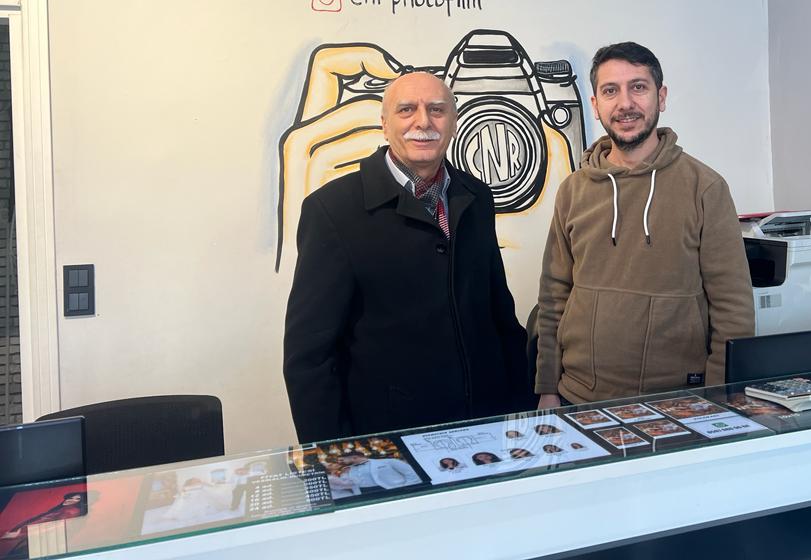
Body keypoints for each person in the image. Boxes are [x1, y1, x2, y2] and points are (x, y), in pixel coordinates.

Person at [283, 71, 532, 442]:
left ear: (453, 123)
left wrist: (524, 406)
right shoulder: (332, 210)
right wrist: (334, 453)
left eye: (437, 110)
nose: (423, 122)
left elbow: (499, 312)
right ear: (385, 124)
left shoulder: (476, 196)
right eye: (406, 110)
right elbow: (309, 354)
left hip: (486, 428)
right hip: (390, 440)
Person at [535, 42, 754, 409]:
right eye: (611, 91)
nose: (625, 103)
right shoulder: (573, 191)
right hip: (578, 397)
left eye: (638, 87)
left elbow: (733, 309)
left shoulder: (705, 188)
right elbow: (554, 296)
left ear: (661, 97)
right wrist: (547, 388)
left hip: (680, 403)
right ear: (595, 106)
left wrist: (719, 396)